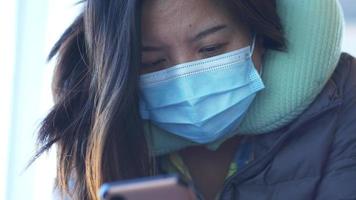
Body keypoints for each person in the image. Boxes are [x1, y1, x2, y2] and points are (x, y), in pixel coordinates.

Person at [33, 0, 356, 199]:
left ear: (260, 30)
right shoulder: (95, 136)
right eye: (152, 63)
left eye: (212, 48)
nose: (187, 81)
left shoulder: (342, 101)